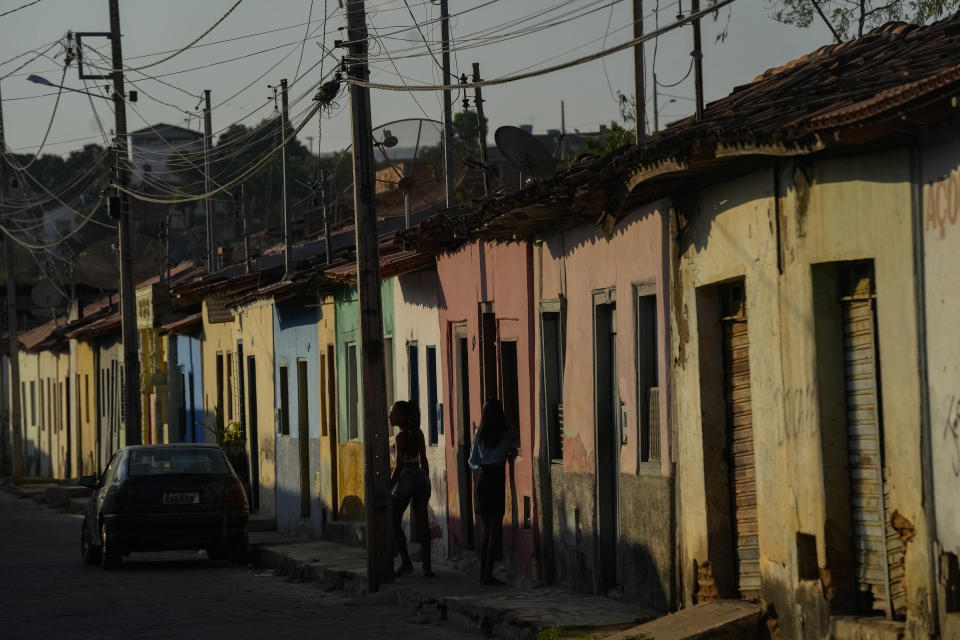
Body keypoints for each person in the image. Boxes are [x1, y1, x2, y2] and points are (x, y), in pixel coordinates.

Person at [468, 398, 516, 586]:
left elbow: (472, 461)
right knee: (494, 531)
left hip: (483, 479)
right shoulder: (508, 433)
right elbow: (512, 447)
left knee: (486, 531)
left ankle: (483, 575)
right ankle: (488, 576)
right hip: (497, 479)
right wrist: (508, 454)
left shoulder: (479, 434)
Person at [389, 400, 434, 578]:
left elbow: (399, 467)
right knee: (423, 524)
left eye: (393, 413)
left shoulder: (399, 437)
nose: (389, 416)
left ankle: (406, 562)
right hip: (421, 478)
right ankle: (427, 567)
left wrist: (389, 486)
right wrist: (426, 480)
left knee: (393, 521)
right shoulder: (419, 433)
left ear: (402, 416)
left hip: (407, 478)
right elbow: (424, 460)